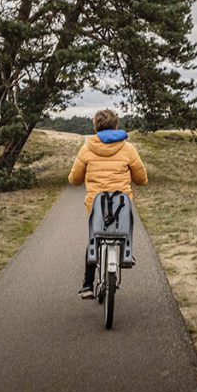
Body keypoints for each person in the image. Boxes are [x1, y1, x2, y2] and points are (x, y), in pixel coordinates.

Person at [67, 109, 148, 298]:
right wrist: (139, 179)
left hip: (97, 205)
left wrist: (74, 178)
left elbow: (75, 178)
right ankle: (127, 254)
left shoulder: (87, 148)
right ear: (116, 125)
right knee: (124, 226)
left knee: (94, 236)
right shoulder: (128, 148)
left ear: (95, 126)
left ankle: (87, 285)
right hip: (121, 205)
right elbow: (141, 178)